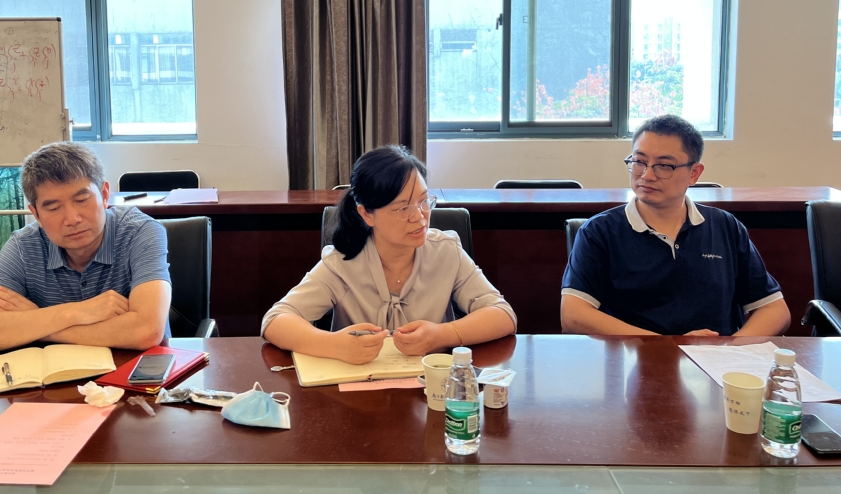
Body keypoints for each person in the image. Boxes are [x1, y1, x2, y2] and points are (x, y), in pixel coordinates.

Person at [261, 145, 517, 364]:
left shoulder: (446, 251)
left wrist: (442, 334)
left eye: (424, 201)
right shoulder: (342, 262)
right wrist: (334, 345)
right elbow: (275, 321)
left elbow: (502, 315)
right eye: (403, 208)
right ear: (366, 214)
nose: (420, 217)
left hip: (430, 390)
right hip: (359, 390)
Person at [561, 115, 791, 337]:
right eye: (639, 162)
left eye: (664, 165)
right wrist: (668, 348)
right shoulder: (599, 231)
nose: (647, 175)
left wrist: (731, 349)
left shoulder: (725, 226)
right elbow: (573, 315)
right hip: (635, 358)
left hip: (715, 358)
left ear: (694, 173)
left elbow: (774, 309)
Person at [0, 142, 172, 355]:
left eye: (82, 199)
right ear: (36, 214)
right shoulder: (24, 246)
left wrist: (41, 325)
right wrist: (75, 312)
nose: (72, 219)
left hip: (136, 371)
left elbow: (147, 331)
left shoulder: (140, 232)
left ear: (105, 195)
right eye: (53, 208)